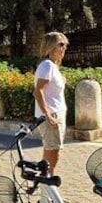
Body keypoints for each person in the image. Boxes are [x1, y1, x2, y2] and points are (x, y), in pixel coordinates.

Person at [32, 31, 69, 176]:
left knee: (51, 157)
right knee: (51, 159)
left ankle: (47, 195)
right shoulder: (46, 65)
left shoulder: (52, 66)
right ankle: (47, 195)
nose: (64, 48)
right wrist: (48, 115)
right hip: (51, 117)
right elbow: (38, 91)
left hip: (55, 115)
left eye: (65, 45)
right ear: (50, 46)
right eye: (61, 44)